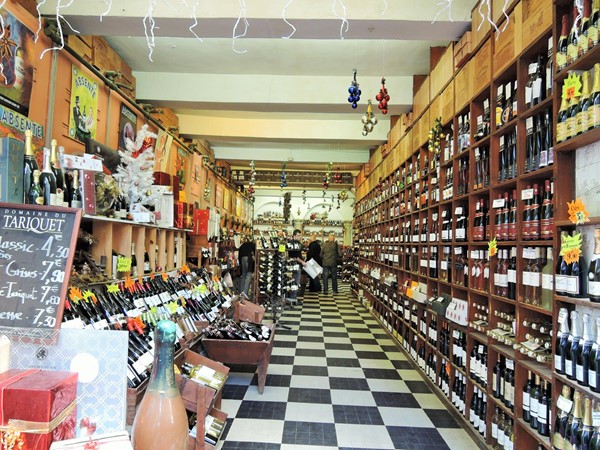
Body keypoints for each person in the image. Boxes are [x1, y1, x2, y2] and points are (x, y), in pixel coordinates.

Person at [287, 229, 304, 304]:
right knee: (295, 283)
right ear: (294, 236)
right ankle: (293, 300)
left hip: (297, 265)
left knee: (295, 283)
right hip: (295, 266)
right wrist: (303, 262)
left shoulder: (297, 243)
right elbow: (295, 256)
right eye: (298, 235)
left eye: (300, 235)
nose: (300, 237)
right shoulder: (293, 244)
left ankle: (294, 298)